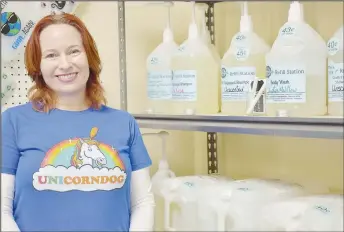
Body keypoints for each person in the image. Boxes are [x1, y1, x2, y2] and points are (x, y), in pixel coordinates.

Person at [1, 13, 155, 231]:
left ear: (88, 56)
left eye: (74, 51)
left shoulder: (124, 123)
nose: (65, 64)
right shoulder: (13, 121)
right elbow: (2, 209)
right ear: (38, 65)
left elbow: (142, 203)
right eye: (51, 55)